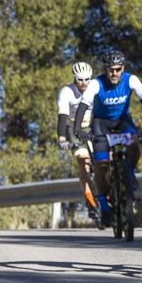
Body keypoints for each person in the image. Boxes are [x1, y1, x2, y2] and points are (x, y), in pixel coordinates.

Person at [72, 50, 142, 227]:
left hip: (122, 121)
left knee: (134, 144)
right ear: (105, 69)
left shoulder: (130, 80)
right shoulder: (96, 83)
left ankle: (129, 173)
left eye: (118, 69)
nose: (114, 73)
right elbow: (84, 104)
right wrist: (77, 127)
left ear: (123, 68)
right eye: (111, 70)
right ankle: (104, 206)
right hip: (101, 124)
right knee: (100, 164)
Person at [57, 61, 97, 220]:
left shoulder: (94, 87)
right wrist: (62, 138)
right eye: (80, 79)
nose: (84, 83)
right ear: (75, 78)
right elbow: (62, 117)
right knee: (84, 161)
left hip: (93, 126)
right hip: (74, 128)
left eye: (87, 79)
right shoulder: (67, 92)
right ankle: (90, 200)